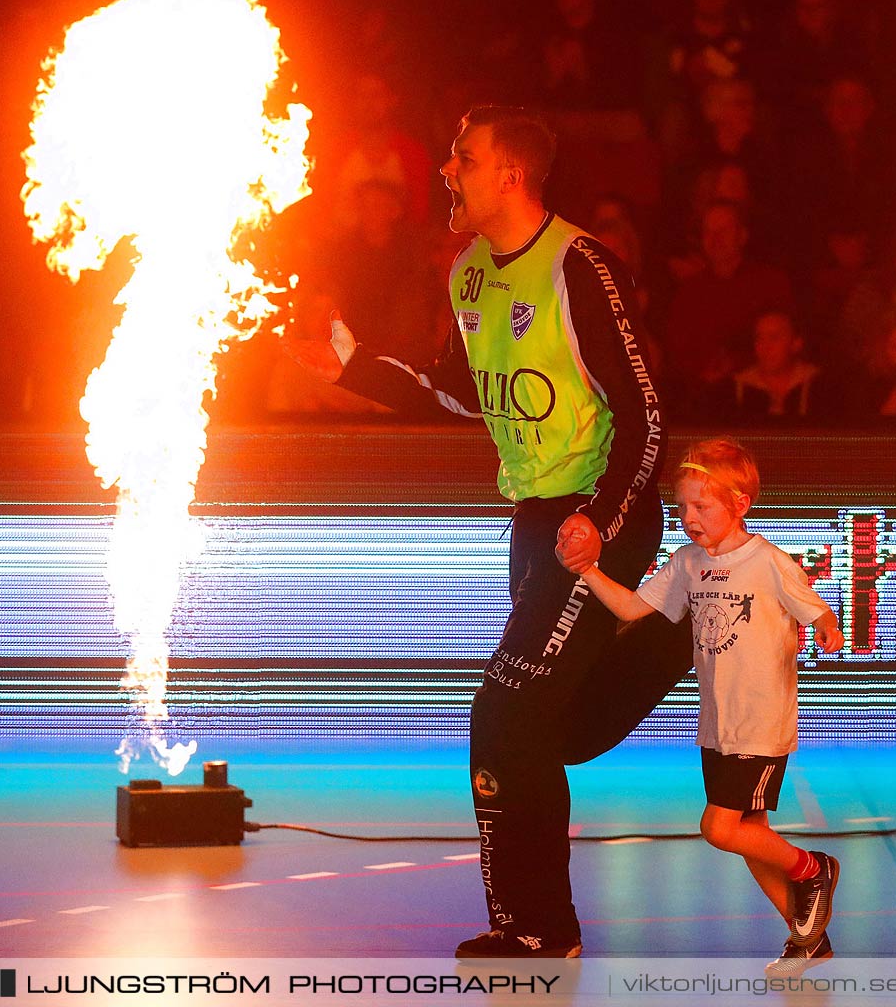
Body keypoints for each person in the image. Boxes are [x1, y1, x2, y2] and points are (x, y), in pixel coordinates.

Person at [288, 105, 688, 959]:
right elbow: (455, 392)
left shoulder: (581, 267)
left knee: (502, 717)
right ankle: (664, 642)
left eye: (462, 158)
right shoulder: (470, 273)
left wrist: (597, 521)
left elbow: (647, 417)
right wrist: (351, 370)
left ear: (510, 174)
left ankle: (539, 927)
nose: (446, 171)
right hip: (535, 519)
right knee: (553, 728)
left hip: (598, 516)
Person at [558, 438, 844, 973]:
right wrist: (589, 568)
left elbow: (817, 613)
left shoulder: (768, 563)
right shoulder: (687, 565)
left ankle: (813, 868)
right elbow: (632, 605)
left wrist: (826, 627)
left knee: (719, 828)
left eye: (701, 506)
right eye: (683, 506)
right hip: (717, 725)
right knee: (750, 836)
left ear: (739, 504)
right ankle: (809, 940)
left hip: (760, 724)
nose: (688, 518)